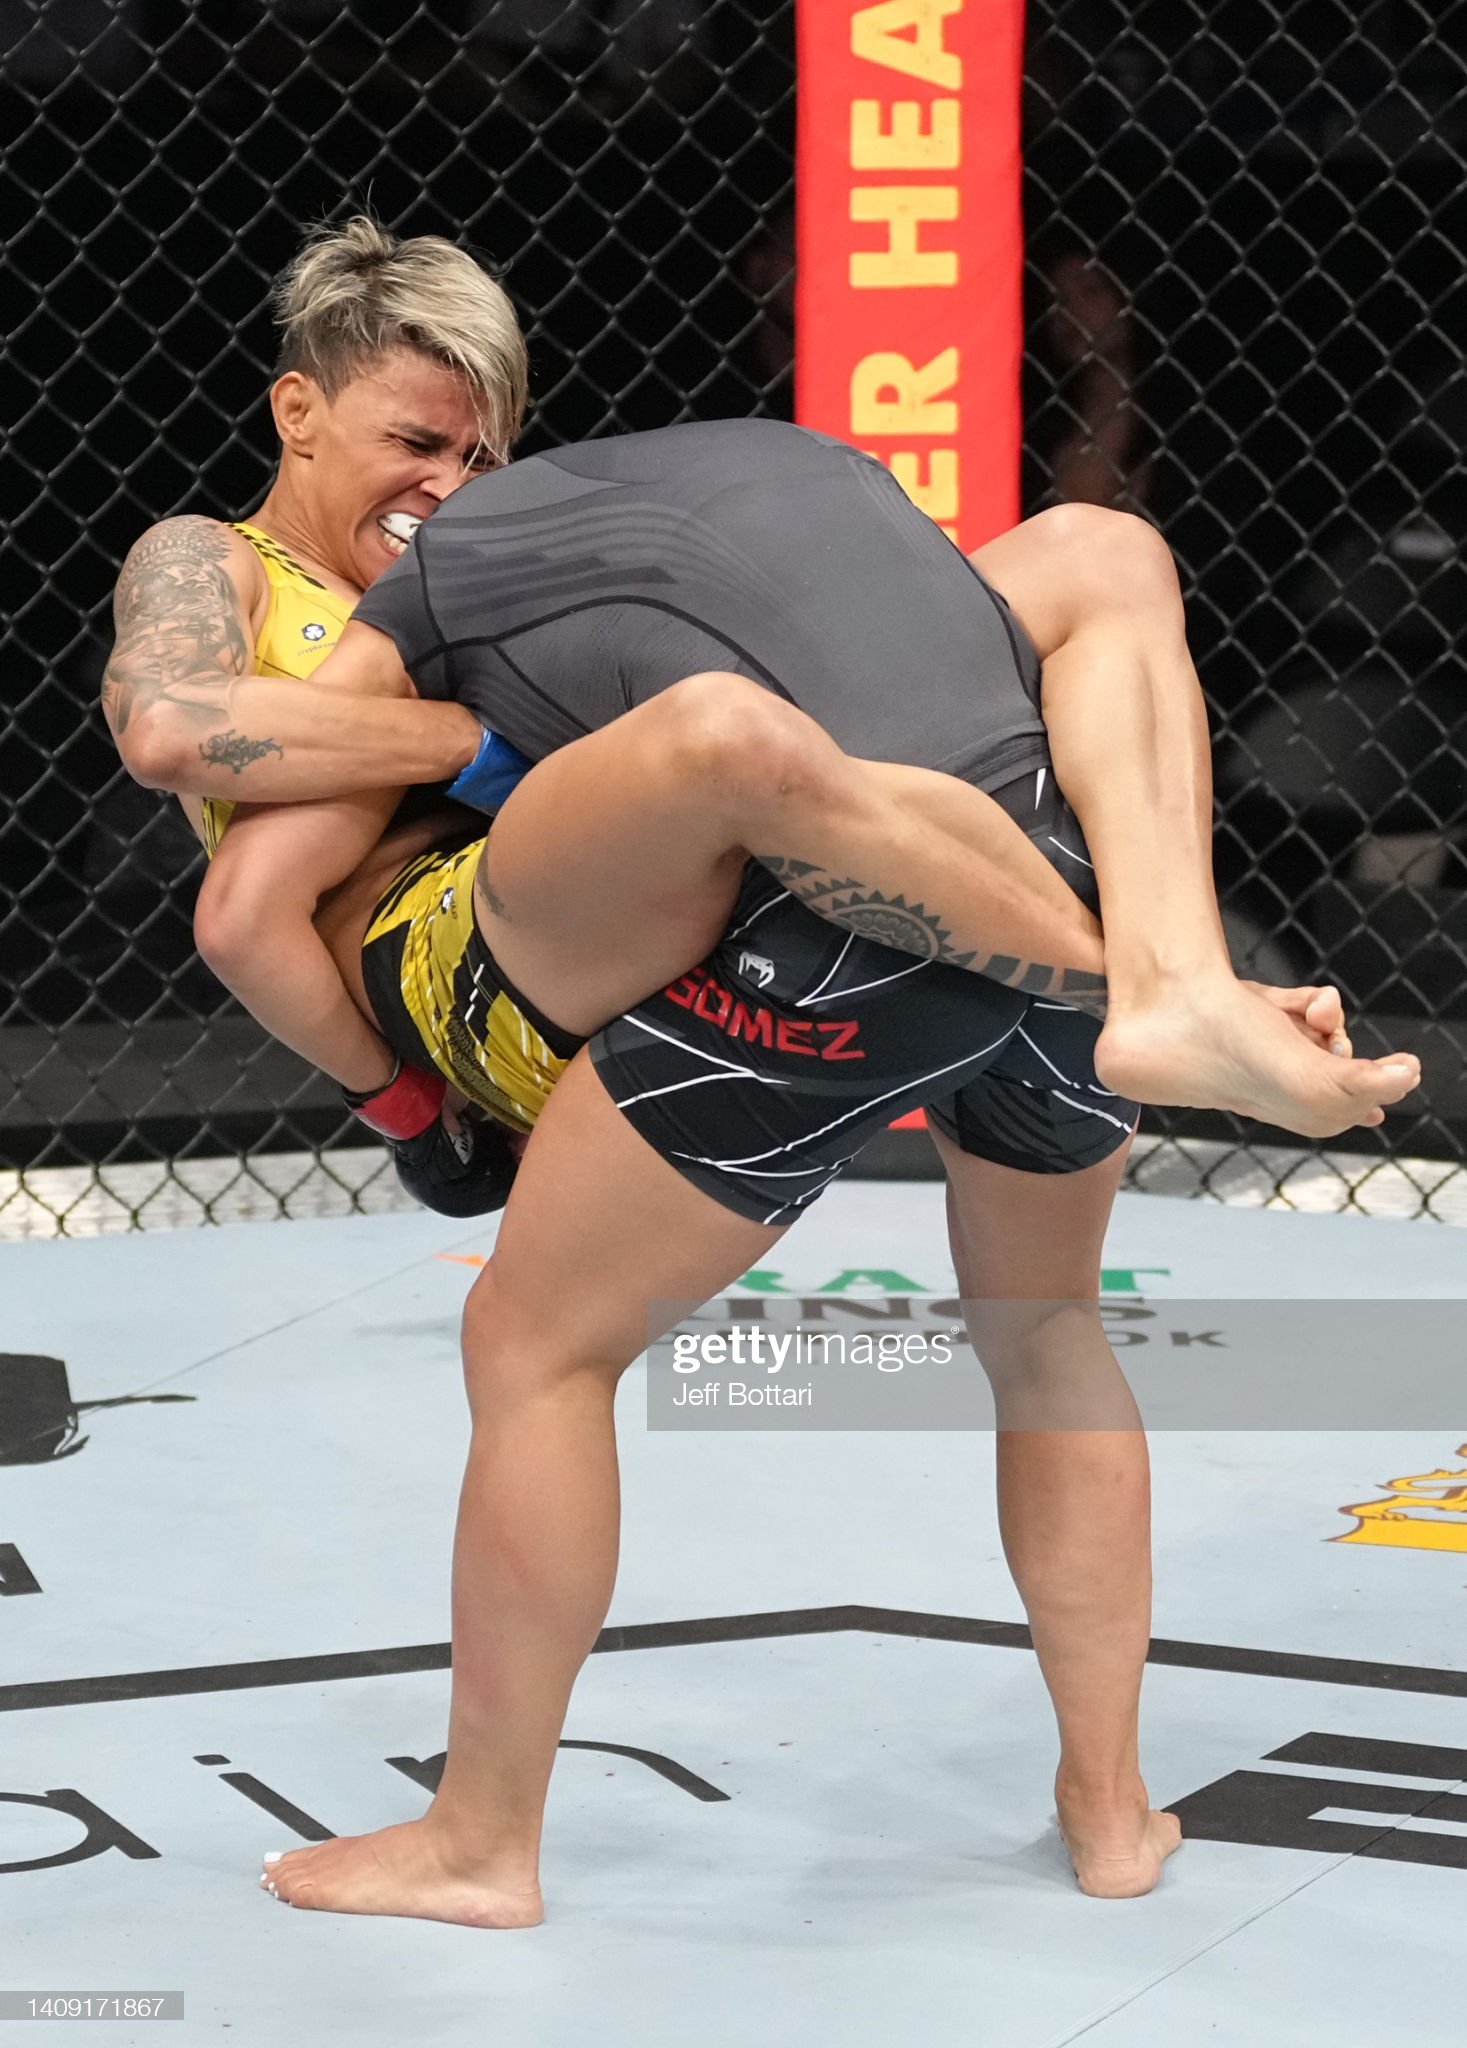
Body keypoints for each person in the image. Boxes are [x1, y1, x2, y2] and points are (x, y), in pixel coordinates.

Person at [104, 226, 1418, 1928]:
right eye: (412, 442)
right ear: (297, 412)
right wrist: (418, 1088)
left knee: (1087, 556)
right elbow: (201, 802)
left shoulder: (517, 585)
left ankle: (1074, 1801)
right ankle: (1163, 981)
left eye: (478, 455)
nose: (445, 487)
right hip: (522, 954)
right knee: (744, 755)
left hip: (760, 903)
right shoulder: (223, 569)